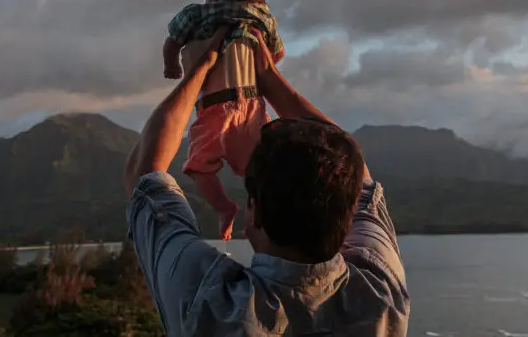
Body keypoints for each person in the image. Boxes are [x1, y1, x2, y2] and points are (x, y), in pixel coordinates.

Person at [124, 27, 410, 336]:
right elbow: (355, 165)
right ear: (347, 212)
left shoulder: (211, 302)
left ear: (254, 212)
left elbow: (144, 173)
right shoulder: (379, 297)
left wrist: (200, 69)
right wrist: (271, 79)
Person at [162, 0, 285, 241]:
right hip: (253, 105)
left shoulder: (196, 14)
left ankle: (224, 208)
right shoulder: (264, 18)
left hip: (215, 107)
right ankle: (263, 217)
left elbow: (172, 42)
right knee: (260, 170)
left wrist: (172, 65)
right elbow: (277, 55)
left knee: (198, 167)